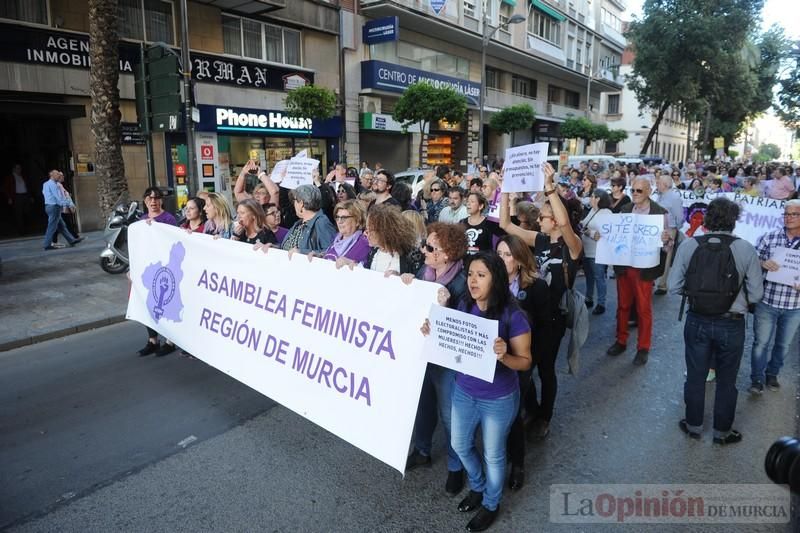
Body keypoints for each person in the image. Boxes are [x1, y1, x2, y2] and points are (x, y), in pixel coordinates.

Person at [421, 251, 531, 532]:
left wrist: (504, 356)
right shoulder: (464, 306)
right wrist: (432, 333)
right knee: (459, 445)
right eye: (470, 274)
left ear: (496, 279)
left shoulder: (513, 315)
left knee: (494, 455)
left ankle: (491, 504)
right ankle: (479, 486)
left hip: (498, 398)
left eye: (481, 275)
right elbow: (451, 341)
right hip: (464, 391)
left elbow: (525, 361)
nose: (473, 280)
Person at [668, 198, 763, 445]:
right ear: (734, 220)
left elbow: (673, 286)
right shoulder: (745, 249)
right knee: (727, 379)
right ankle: (722, 432)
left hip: (697, 319)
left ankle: (693, 425)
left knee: (696, 375)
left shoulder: (689, 246)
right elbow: (756, 294)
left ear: (707, 218)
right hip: (731, 323)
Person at [499, 163, 582, 439]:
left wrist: (550, 188)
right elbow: (505, 225)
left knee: (545, 368)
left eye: (545, 216)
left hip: (553, 318)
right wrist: (505, 192)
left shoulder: (572, 245)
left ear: (556, 219)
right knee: (525, 366)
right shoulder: (541, 240)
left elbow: (567, 224)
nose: (541, 220)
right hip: (530, 315)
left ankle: (544, 416)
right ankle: (531, 409)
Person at [403, 222, 469, 495]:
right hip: (421, 353)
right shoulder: (424, 272)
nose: (424, 250)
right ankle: (422, 449)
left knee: (449, 413)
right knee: (423, 405)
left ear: (447, 255)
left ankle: (457, 467)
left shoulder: (461, 284)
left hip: (446, 360)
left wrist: (446, 308)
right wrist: (403, 282)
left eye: (430, 247)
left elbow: (465, 328)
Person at [497, 235, 550, 492]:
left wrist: (528, 362)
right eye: (498, 254)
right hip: (494, 360)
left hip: (519, 361)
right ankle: (497, 454)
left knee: (512, 414)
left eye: (508, 255)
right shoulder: (488, 283)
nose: (502, 260)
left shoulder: (536, 287)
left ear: (519, 259)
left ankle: (517, 464)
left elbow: (544, 329)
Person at [605, 177, 671, 365]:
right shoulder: (625, 210)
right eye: (632, 190)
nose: (634, 193)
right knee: (623, 305)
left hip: (645, 269)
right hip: (624, 266)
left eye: (639, 191)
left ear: (649, 191)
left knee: (643, 309)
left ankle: (643, 347)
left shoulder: (660, 213)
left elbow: (667, 247)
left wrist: (666, 240)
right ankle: (621, 340)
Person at [748, 199, 800, 394]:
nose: (789, 218)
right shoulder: (769, 237)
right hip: (767, 301)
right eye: (786, 214)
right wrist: (763, 263)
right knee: (760, 343)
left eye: (794, 214)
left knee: (783, 345)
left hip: (795, 305)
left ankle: (772, 374)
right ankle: (757, 380)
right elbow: (752, 261)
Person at [137, 186, 179, 358]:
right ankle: (153, 340)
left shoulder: (169, 219)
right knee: (149, 304)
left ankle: (171, 340)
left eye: (156, 198)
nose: (153, 201)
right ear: (145, 201)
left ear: (161, 200)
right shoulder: (142, 219)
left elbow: (173, 242)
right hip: (149, 268)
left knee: (167, 304)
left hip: (165, 269)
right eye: (150, 198)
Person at [361, 203, 422, 275]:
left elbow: (419, 280)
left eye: (371, 230)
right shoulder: (373, 252)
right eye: (366, 229)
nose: (366, 234)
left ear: (384, 232)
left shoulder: (411, 254)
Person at [278, 184, 337, 254]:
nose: (293, 204)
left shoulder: (322, 223)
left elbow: (331, 253)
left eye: (295, 201)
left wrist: (302, 252)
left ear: (301, 204)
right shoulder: (299, 223)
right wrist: (273, 247)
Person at [580, 190, 613, 314]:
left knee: (599, 277)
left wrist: (588, 232)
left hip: (597, 252)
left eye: (592, 196)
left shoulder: (606, 213)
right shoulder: (593, 210)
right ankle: (589, 298)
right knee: (589, 276)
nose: (590, 198)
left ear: (598, 199)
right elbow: (585, 224)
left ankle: (601, 303)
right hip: (587, 250)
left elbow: (604, 234)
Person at [654, 174, 685, 295]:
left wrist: (674, 230)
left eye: (659, 183)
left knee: (666, 256)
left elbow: (679, 216)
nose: (657, 184)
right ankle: (654, 278)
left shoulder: (674, 197)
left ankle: (662, 284)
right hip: (657, 228)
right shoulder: (660, 196)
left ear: (666, 185)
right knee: (656, 254)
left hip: (669, 229)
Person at [42, 169, 83, 250]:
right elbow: (58, 197)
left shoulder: (45, 184)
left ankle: (71, 240)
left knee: (62, 226)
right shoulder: (54, 185)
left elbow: (44, 193)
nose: (59, 176)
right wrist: (67, 204)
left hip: (48, 206)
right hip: (54, 207)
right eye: (57, 174)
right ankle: (47, 244)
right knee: (52, 227)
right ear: (52, 175)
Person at [321, 200, 371, 265]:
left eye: (344, 218)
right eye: (337, 217)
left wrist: (353, 264)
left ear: (358, 221)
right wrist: (319, 257)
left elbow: (366, 269)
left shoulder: (364, 243)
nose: (339, 221)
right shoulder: (335, 238)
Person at [3, 163, 34, 236]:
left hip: (25, 195)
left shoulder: (23, 177)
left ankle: (26, 228)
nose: (19, 170)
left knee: (27, 212)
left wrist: (30, 196)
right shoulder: (10, 177)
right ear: (13, 169)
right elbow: (6, 188)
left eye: (20, 168)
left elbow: (28, 186)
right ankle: (21, 231)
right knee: (18, 214)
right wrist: (9, 197)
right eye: (17, 168)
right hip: (17, 197)